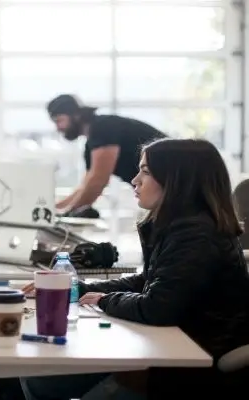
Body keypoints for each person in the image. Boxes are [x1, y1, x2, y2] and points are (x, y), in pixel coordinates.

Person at [21, 138, 249, 399]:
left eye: (146, 171)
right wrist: (79, 288)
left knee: (41, 381)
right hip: (165, 349)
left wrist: (106, 300)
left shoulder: (196, 234)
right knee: (38, 379)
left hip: (186, 367)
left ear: (177, 180)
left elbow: (157, 307)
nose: (134, 180)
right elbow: (147, 281)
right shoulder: (181, 226)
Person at [46, 94, 167, 218]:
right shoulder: (91, 144)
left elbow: (98, 180)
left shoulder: (103, 127)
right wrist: (55, 209)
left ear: (76, 115)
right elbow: (85, 186)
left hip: (177, 185)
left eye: (59, 120)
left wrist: (66, 213)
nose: (58, 128)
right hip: (165, 190)